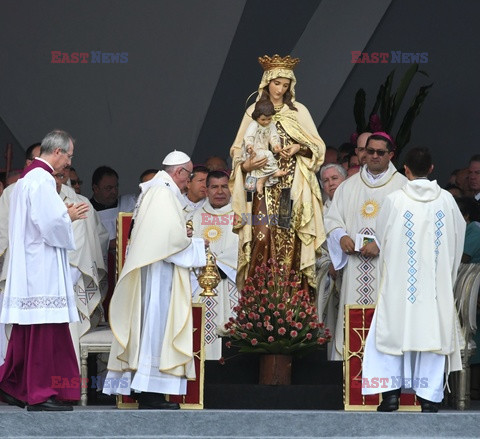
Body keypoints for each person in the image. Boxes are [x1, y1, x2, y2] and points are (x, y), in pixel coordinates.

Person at [361, 147, 465, 412]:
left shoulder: (395, 200)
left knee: (390, 335)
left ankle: (391, 396)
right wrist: (445, 276)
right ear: (431, 169)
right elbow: (457, 239)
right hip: (434, 286)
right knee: (431, 335)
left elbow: (381, 237)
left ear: (404, 169)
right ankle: (429, 399)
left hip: (399, 285)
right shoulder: (446, 201)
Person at [104, 150, 207, 410]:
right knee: (155, 329)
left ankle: (144, 390)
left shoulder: (158, 190)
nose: (189, 181)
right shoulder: (162, 193)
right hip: (158, 277)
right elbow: (170, 241)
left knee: (148, 329)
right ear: (179, 172)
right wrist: (197, 246)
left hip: (155, 272)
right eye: (189, 174)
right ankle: (151, 393)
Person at [0, 129, 89, 411]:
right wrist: (69, 216)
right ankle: (40, 393)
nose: (69, 163)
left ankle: (14, 386)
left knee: (29, 333)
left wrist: (61, 217)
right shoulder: (41, 180)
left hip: (33, 264)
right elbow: (49, 226)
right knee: (44, 331)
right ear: (58, 152)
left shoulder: (29, 179)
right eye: (69, 156)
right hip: (41, 269)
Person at [230, 54, 326, 292]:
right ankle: (258, 302)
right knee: (261, 235)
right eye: (276, 83)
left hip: (289, 187)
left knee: (286, 238)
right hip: (261, 187)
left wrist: (298, 147)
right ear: (266, 82)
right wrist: (245, 165)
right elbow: (236, 147)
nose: (280, 89)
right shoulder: (255, 110)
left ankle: (286, 303)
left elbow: (318, 146)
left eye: (285, 85)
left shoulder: (298, 111)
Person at [324, 132, 407, 360]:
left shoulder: (402, 187)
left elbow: (408, 225)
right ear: (362, 153)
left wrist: (380, 244)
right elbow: (332, 219)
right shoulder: (348, 186)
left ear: (391, 155)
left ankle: (386, 386)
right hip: (354, 268)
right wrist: (341, 236)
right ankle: (350, 380)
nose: (374, 156)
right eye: (369, 151)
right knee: (353, 324)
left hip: (384, 269)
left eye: (380, 152)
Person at [191, 170, 239, 360]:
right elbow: (188, 247)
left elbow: (246, 246)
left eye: (224, 186)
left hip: (232, 283)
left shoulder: (240, 216)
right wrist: (209, 266)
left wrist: (221, 266)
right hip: (201, 285)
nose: (220, 191)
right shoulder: (194, 217)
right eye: (214, 187)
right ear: (206, 190)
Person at [316, 163, 347, 360]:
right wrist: (328, 264)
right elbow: (314, 249)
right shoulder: (318, 214)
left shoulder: (354, 207)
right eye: (326, 181)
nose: (330, 183)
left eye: (334, 178)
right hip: (329, 277)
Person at [242, 99, 287, 193]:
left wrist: (276, 145)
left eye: (269, 119)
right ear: (256, 117)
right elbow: (249, 137)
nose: (266, 122)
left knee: (265, 163)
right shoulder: (254, 125)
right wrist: (249, 147)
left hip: (262, 151)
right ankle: (274, 172)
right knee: (267, 157)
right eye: (263, 119)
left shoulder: (271, 125)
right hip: (253, 152)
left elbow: (274, 137)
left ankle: (260, 182)